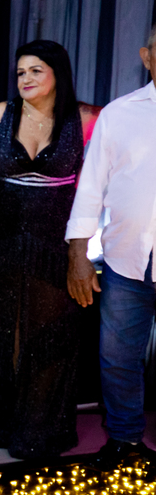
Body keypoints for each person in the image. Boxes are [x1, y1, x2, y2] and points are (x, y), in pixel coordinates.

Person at [0, 41, 96, 458]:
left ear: (57, 73)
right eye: (20, 72)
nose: (25, 79)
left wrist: (82, 250)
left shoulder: (87, 118)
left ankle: (37, 429)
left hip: (53, 244)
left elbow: (99, 184)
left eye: (35, 70)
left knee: (47, 335)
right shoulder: (0, 114)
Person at [66, 24, 156, 469]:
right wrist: (78, 254)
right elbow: (91, 188)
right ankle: (124, 438)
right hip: (126, 261)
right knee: (117, 357)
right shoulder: (120, 114)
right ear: (146, 56)